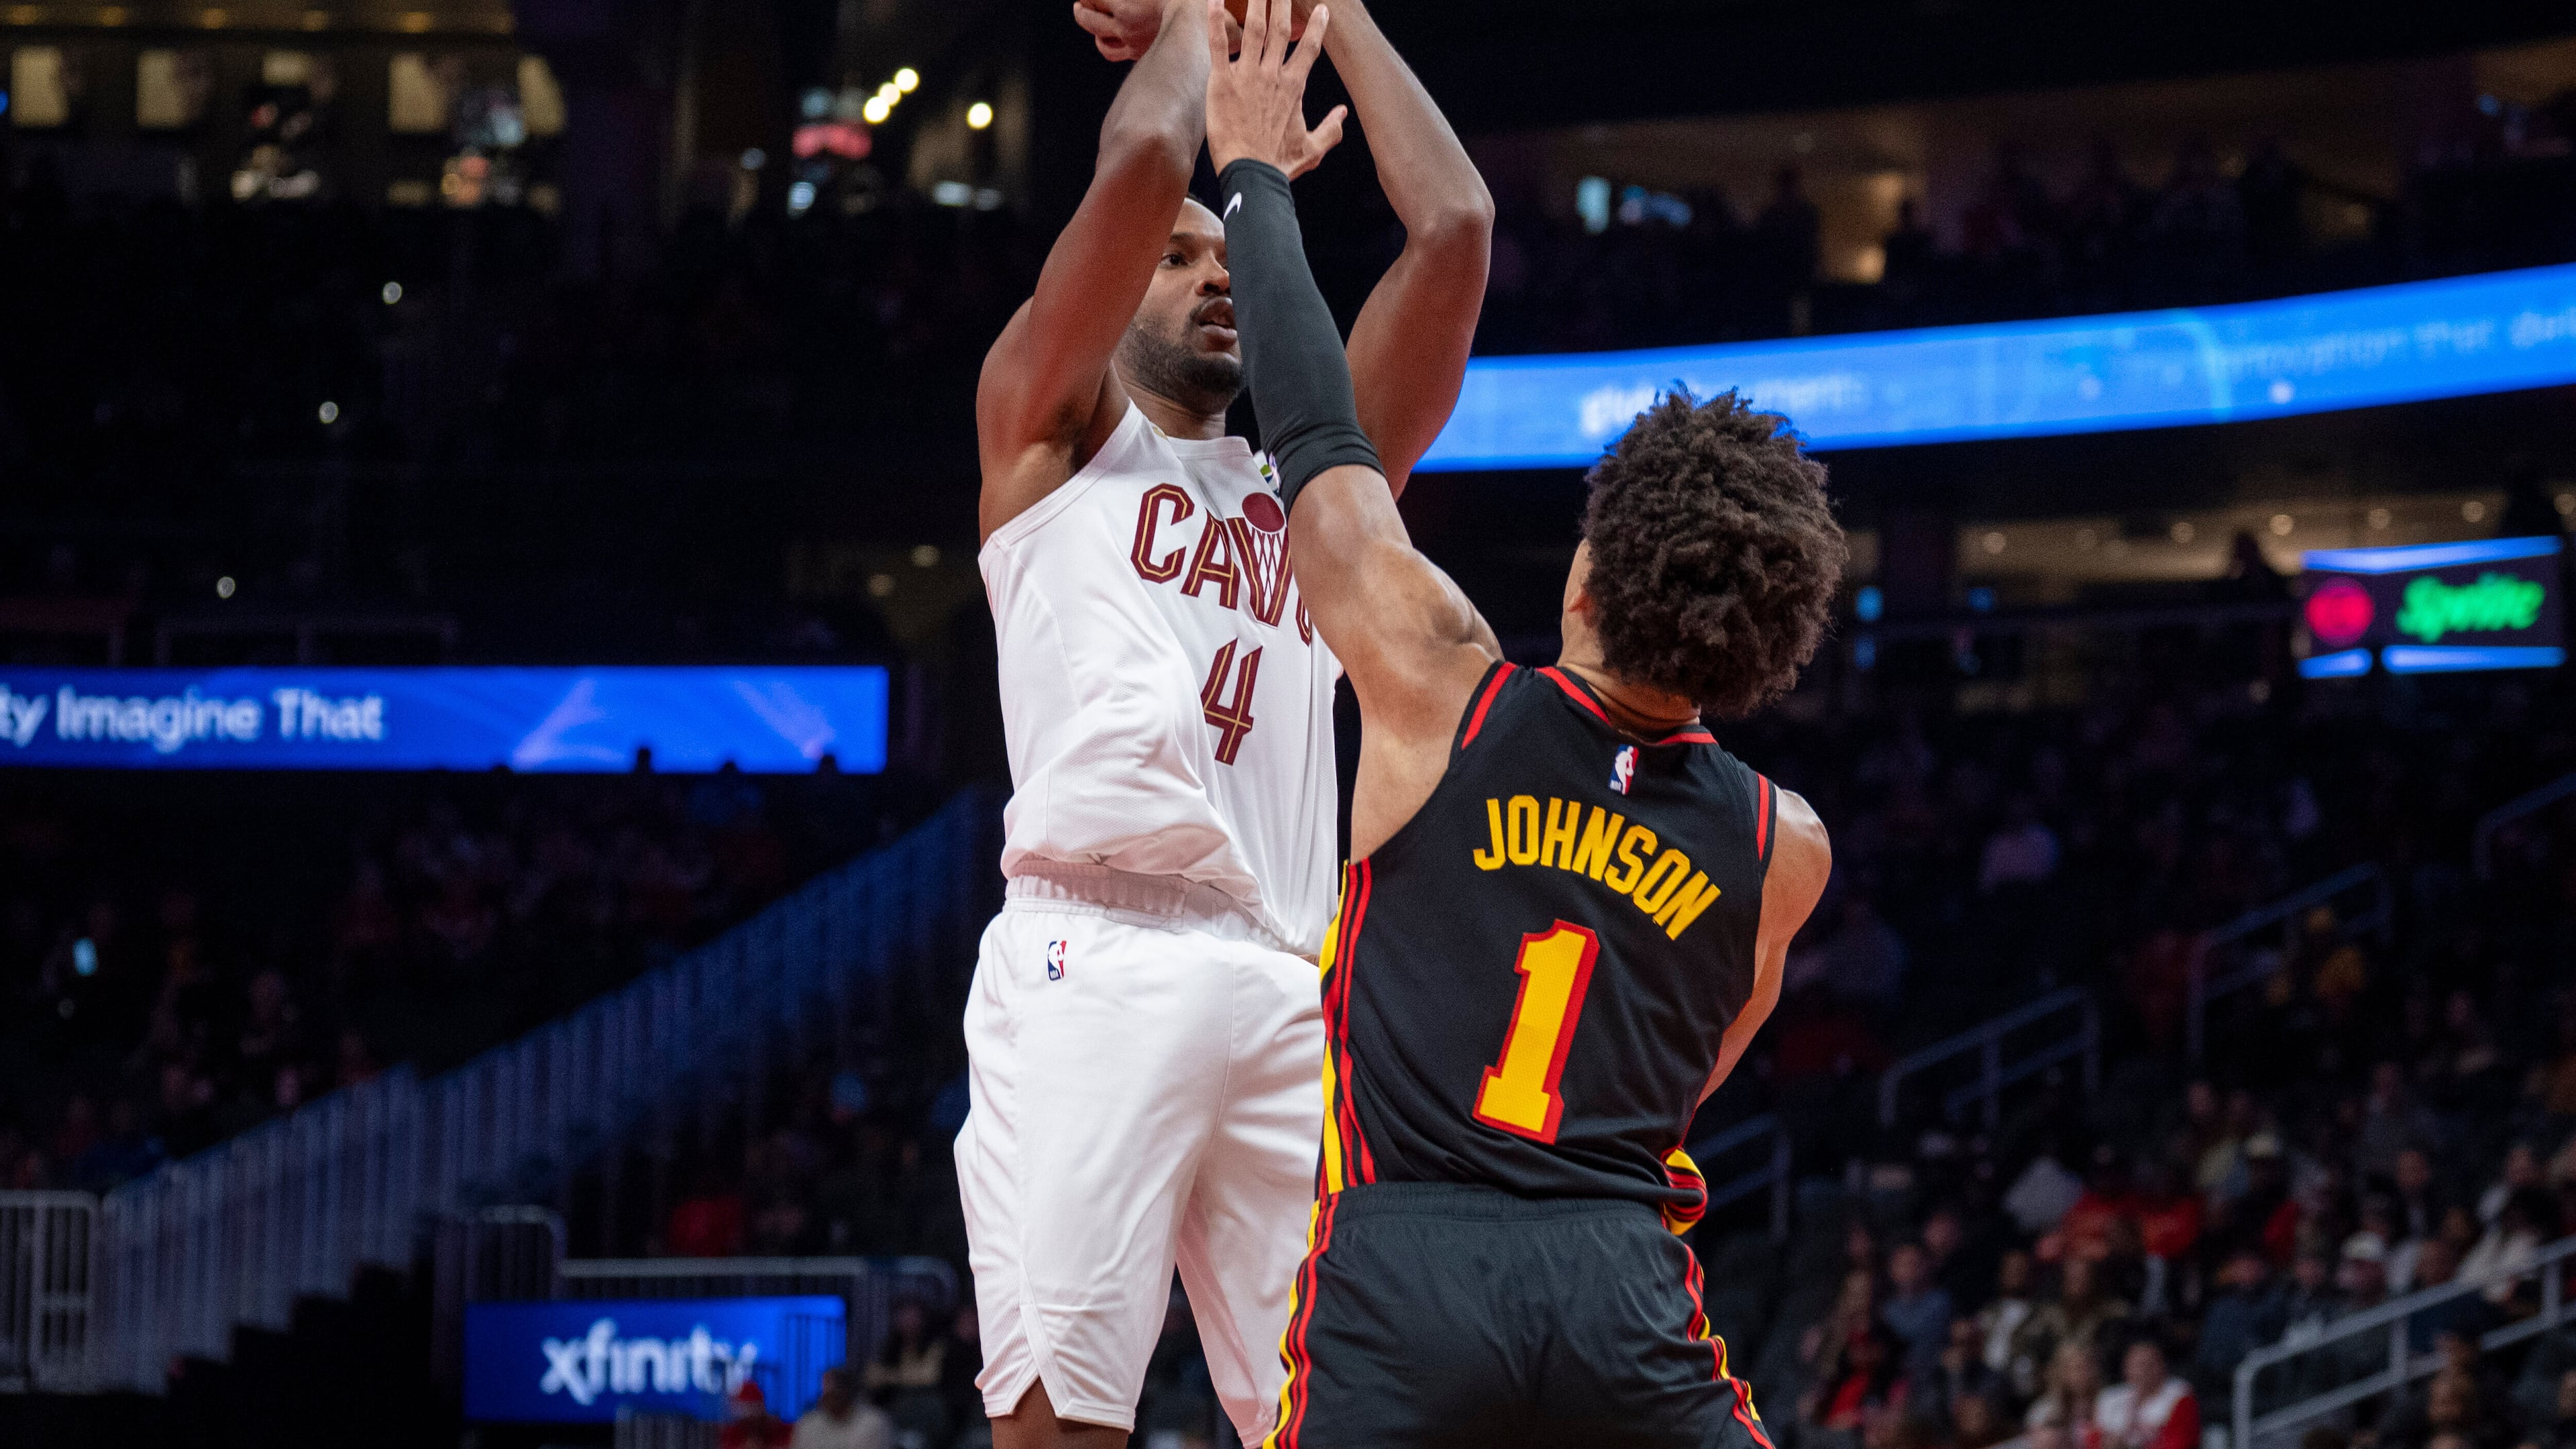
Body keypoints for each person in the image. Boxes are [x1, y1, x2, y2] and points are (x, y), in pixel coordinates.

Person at [1201, 8, 1839, 1440]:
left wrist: (1251, 174)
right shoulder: (1780, 847)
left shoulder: (1442, 684)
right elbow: (1686, 1072)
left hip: (1403, 1264)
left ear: (1590, 571)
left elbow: (1317, 433)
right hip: (1620, 1282)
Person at [958, 0, 1490, 1439]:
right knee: (1062, 1418)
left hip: (1285, 975)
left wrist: (1335, 16)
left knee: (1340, 1421)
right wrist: (1203, 21)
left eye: (1224, 256)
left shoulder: (1315, 494)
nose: (1215, 277)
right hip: (1095, 944)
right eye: (1180, 258)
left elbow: (1455, 229)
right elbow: (1138, 162)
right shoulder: (1046, 433)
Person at [2093, 1338, 2197, 1449]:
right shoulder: (2110, 1397)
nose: (2143, 1371)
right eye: (2138, 1365)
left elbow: (2180, 1443)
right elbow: (2095, 1439)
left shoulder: (2179, 1394)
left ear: (2162, 1365)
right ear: (2126, 1368)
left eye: (2150, 1364)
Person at [791, 1366, 895, 1449]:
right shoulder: (808, 1424)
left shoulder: (874, 1423)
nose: (824, 1397)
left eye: (831, 1393)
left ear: (846, 1391)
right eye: (824, 1393)